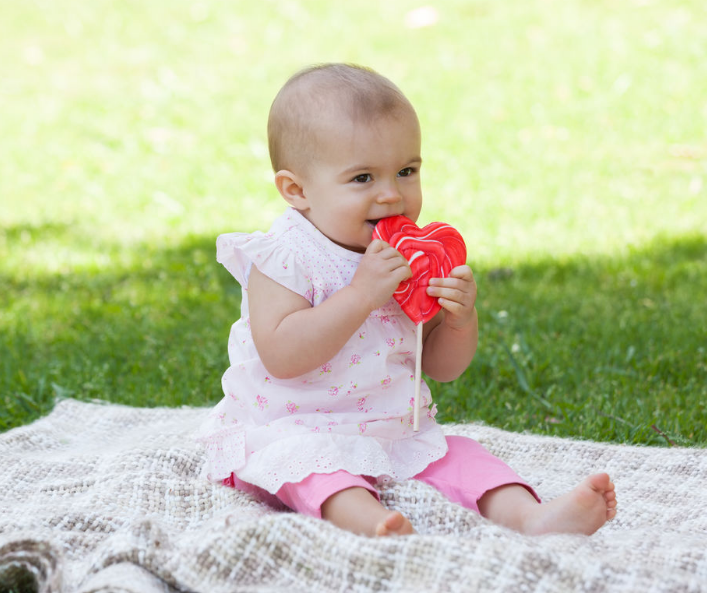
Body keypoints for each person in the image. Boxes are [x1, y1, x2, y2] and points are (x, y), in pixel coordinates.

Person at [198, 63, 616, 537]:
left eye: (406, 171)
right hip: (292, 429)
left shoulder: (411, 257)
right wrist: (360, 295)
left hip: (394, 428)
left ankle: (533, 516)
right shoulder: (287, 255)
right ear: (297, 190)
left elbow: (440, 366)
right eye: (362, 179)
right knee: (317, 472)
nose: (391, 195)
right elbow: (282, 355)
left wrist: (459, 320)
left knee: (465, 457)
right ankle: (374, 525)